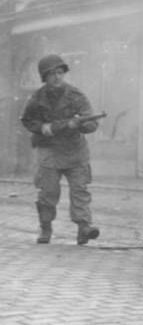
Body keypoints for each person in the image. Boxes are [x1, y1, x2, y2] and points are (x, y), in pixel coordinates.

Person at [21, 54, 102, 245]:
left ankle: (84, 227)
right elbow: (26, 119)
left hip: (75, 151)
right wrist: (42, 128)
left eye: (60, 72)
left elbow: (91, 123)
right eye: (52, 74)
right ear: (44, 77)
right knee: (48, 192)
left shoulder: (76, 95)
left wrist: (78, 125)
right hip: (49, 151)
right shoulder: (37, 97)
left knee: (80, 191)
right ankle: (46, 227)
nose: (57, 77)